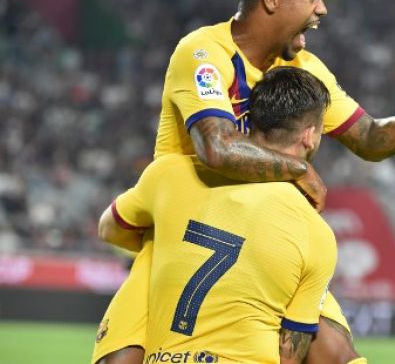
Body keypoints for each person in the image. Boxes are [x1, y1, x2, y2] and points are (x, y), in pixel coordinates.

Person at [93, 0, 395, 362]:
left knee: (333, 349)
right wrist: (299, 168)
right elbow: (216, 147)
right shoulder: (204, 53)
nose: (323, 9)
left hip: (265, 239)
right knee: (122, 359)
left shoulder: (306, 71)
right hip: (184, 235)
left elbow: (369, 138)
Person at [96, 67, 349, 364]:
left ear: (250, 124)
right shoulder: (314, 232)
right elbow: (290, 354)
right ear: (309, 136)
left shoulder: (170, 173)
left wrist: (169, 245)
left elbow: (108, 229)